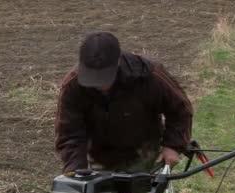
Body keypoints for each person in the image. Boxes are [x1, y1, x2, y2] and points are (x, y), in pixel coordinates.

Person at [55, 32, 193, 174]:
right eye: (92, 78)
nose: (98, 84)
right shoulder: (73, 85)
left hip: (144, 151)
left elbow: (181, 110)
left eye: (104, 77)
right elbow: (69, 133)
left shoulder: (149, 75)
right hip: (99, 155)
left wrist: (173, 146)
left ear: (118, 63)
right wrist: (75, 172)